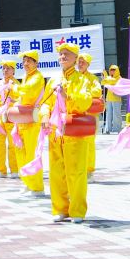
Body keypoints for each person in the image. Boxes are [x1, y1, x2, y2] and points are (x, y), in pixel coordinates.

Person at [42, 43, 99, 223]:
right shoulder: (53, 80)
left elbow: (85, 102)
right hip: (55, 132)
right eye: (60, 54)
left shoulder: (82, 80)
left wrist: (68, 97)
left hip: (74, 130)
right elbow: (45, 102)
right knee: (56, 172)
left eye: (67, 54)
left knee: (76, 172)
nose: (63, 57)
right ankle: (60, 208)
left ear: (75, 58)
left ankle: (77, 211)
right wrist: (44, 116)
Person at [11, 50, 47, 197]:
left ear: (36, 63)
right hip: (23, 119)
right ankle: (27, 183)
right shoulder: (26, 77)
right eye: (24, 61)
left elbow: (27, 91)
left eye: (29, 61)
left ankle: (37, 187)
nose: (25, 64)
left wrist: (14, 87)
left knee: (32, 154)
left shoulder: (38, 77)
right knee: (21, 153)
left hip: (32, 121)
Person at [0, 59, 19, 178]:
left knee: (12, 144)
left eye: (8, 68)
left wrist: (12, 101)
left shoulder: (16, 85)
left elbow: (20, 100)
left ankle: (14, 169)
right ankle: (1, 170)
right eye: (4, 68)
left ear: (13, 71)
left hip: (10, 116)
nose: (5, 70)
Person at [75, 53, 101, 181]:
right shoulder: (74, 77)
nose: (80, 64)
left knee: (89, 143)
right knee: (76, 143)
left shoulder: (93, 78)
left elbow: (98, 91)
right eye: (79, 62)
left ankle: (89, 171)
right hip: (77, 114)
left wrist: (83, 93)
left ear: (88, 64)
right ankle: (78, 169)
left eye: (83, 62)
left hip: (90, 116)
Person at [102, 64, 124, 134]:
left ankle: (117, 129)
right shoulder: (109, 78)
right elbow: (103, 82)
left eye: (114, 70)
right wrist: (105, 77)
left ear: (117, 70)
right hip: (109, 98)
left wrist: (105, 76)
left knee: (116, 114)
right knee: (109, 114)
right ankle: (108, 129)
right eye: (111, 70)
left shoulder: (119, 78)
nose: (112, 71)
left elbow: (112, 81)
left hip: (116, 99)